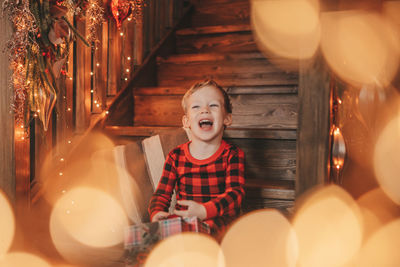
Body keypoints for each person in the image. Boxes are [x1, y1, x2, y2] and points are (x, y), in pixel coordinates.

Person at [148, 79, 245, 236]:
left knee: (206, 233)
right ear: (186, 122)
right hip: (184, 221)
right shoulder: (175, 156)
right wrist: (157, 212)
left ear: (227, 118)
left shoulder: (232, 154)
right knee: (143, 236)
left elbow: (235, 195)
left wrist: (204, 211)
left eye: (213, 105)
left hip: (218, 220)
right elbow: (162, 194)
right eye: (196, 106)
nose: (205, 110)